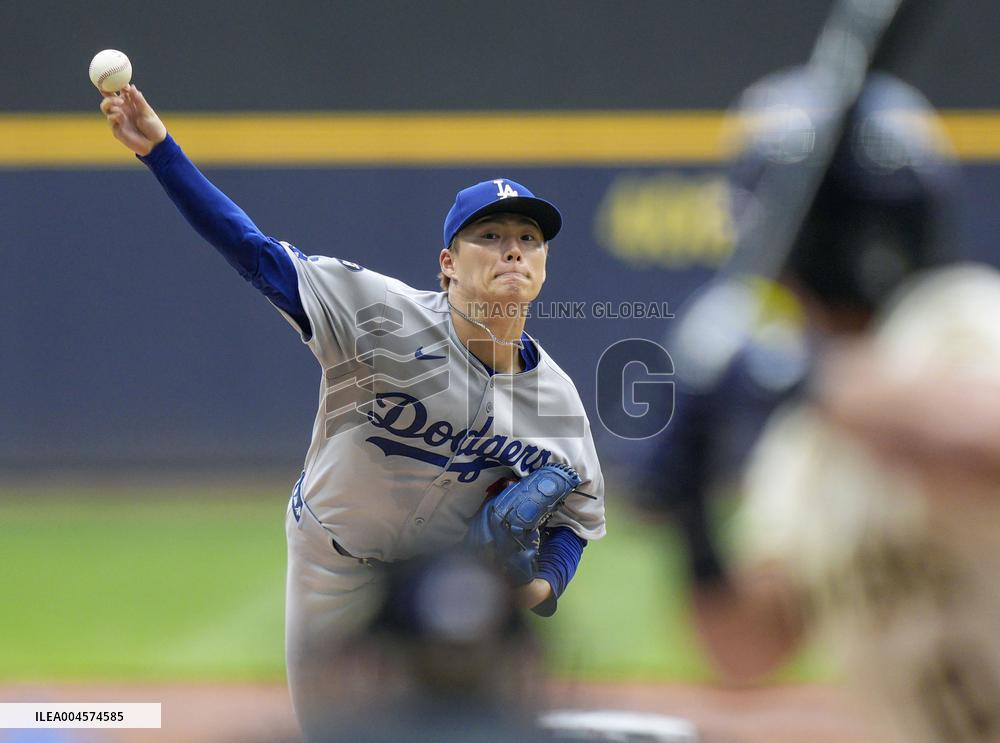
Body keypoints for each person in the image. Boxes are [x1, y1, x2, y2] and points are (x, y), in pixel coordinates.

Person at [98, 84, 605, 739]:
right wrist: (161, 152)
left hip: (436, 586)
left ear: (544, 264)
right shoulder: (378, 315)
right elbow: (254, 253)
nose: (514, 250)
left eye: (529, 239)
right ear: (447, 265)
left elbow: (575, 518)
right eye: (491, 236)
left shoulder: (557, 401)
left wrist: (537, 588)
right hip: (331, 561)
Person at [668, 68, 1000, 743]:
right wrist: (692, 516)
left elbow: (982, 436)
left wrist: (808, 376)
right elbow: (747, 653)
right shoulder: (808, 442)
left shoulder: (959, 318)